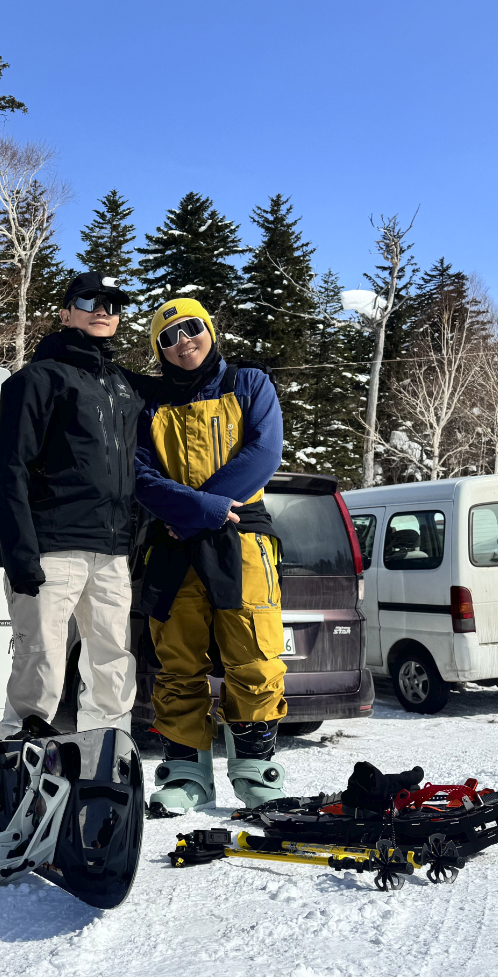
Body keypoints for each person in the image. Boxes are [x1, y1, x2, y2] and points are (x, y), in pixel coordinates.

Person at [132, 297, 287, 814]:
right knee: (176, 660)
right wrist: (196, 510)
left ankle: (253, 770)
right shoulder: (147, 404)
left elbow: (262, 455)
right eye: (168, 338)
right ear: (159, 350)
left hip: (240, 537)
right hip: (172, 546)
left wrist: (199, 511)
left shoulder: (249, 384)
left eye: (192, 329)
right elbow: (139, 476)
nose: (183, 343)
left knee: (254, 652)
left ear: (210, 330)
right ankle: (185, 772)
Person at [0, 272, 145, 738]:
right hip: (52, 547)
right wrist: (20, 553)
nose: (104, 310)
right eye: (90, 300)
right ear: (65, 312)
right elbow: (10, 470)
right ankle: (19, 767)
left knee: (114, 665)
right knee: (41, 663)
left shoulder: (123, 387)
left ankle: (105, 762)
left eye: (113, 305)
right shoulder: (37, 380)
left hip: (112, 552)